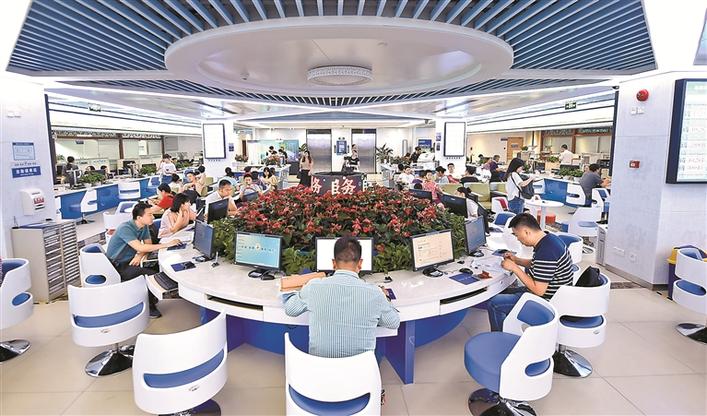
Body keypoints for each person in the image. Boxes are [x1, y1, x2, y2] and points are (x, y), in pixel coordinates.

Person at [283, 236, 400, 358]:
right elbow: (393, 323)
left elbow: (290, 310)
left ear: (333, 263)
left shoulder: (313, 286)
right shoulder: (375, 293)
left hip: (321, 367)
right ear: (360, 263)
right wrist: (385, 297)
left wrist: (300, 290)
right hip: (361, 369)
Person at [487, 213, 574, 331]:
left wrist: (514, 268)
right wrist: (516, 260)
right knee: (500, 290)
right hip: (555, 294)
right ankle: (509, 327)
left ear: (526, 232)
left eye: (517, 235)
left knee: (494, 304)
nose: (518, 239)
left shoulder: (547, 251)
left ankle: (500, 338)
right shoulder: (549, 239)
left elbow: (539, 290)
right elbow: (539, 265)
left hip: (547, 301)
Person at [105, 202, 181, 318]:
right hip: (117, 266)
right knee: (150, 274)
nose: (153, 217)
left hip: (131, 260)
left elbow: (147, 245)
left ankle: (153, 295)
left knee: (157, 266)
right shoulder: (125, 228)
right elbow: (141, 247)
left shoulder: (144, 226)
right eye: (149, 215)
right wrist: (167, 244)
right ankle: (149, 307)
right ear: (139, 218)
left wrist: (139, 255)